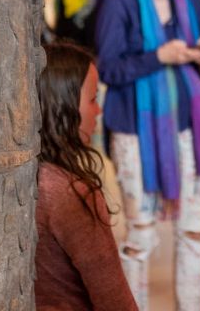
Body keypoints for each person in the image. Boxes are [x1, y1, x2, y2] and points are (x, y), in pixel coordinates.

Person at [94, 0, 200, 311]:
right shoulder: (118, 1)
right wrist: (159, 57)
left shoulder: (192, 0)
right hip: (134, 131)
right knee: (141, 236)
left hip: (189, 129)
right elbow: (108, 69)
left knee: (194, 232)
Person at [35, 43, 137, 311]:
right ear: (63, 106)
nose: (98, 111)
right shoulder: (71, 194)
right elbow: (114, 300)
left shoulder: (30, 178)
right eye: (93, 99)